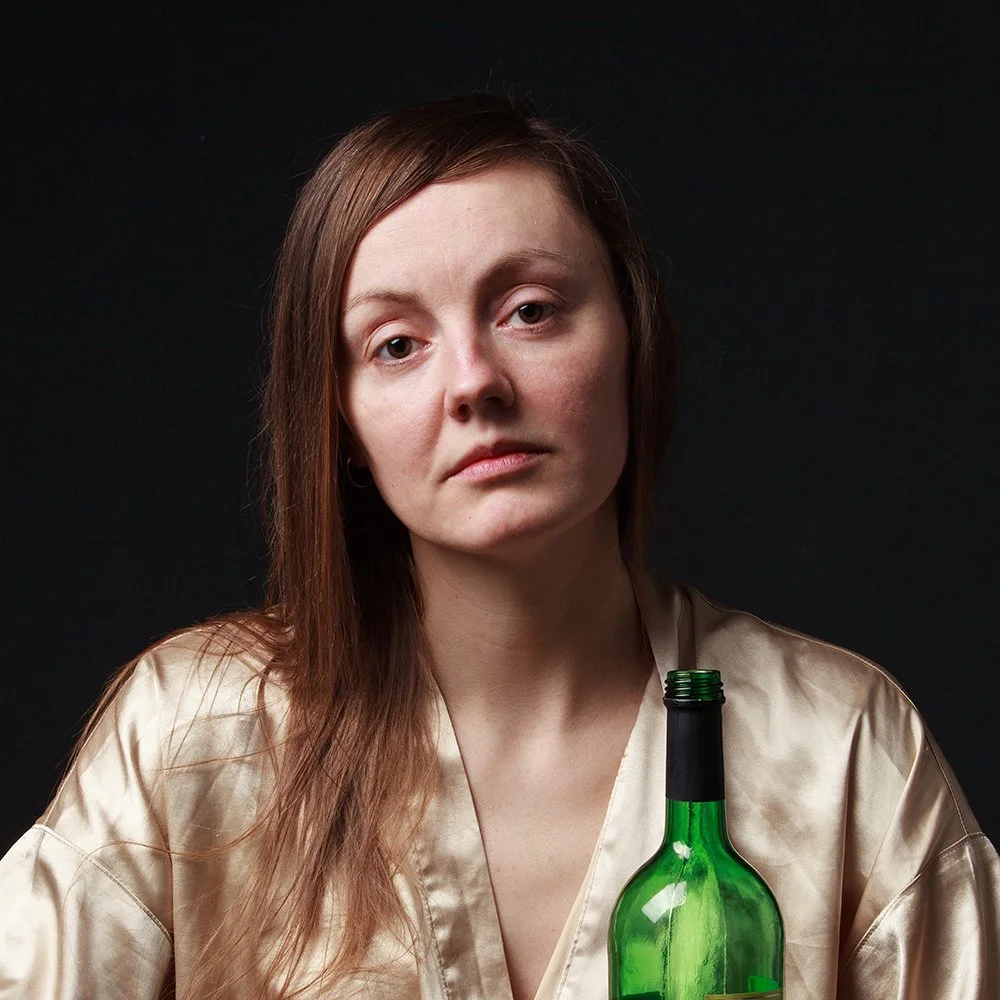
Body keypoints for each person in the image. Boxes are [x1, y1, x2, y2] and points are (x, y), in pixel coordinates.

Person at [0, 93, 996, 1000]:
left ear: (633, 341)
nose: (473, 381)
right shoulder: (186, 733)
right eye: (396, 343)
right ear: (339, 420)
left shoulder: (843, 749)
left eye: (529, 311)